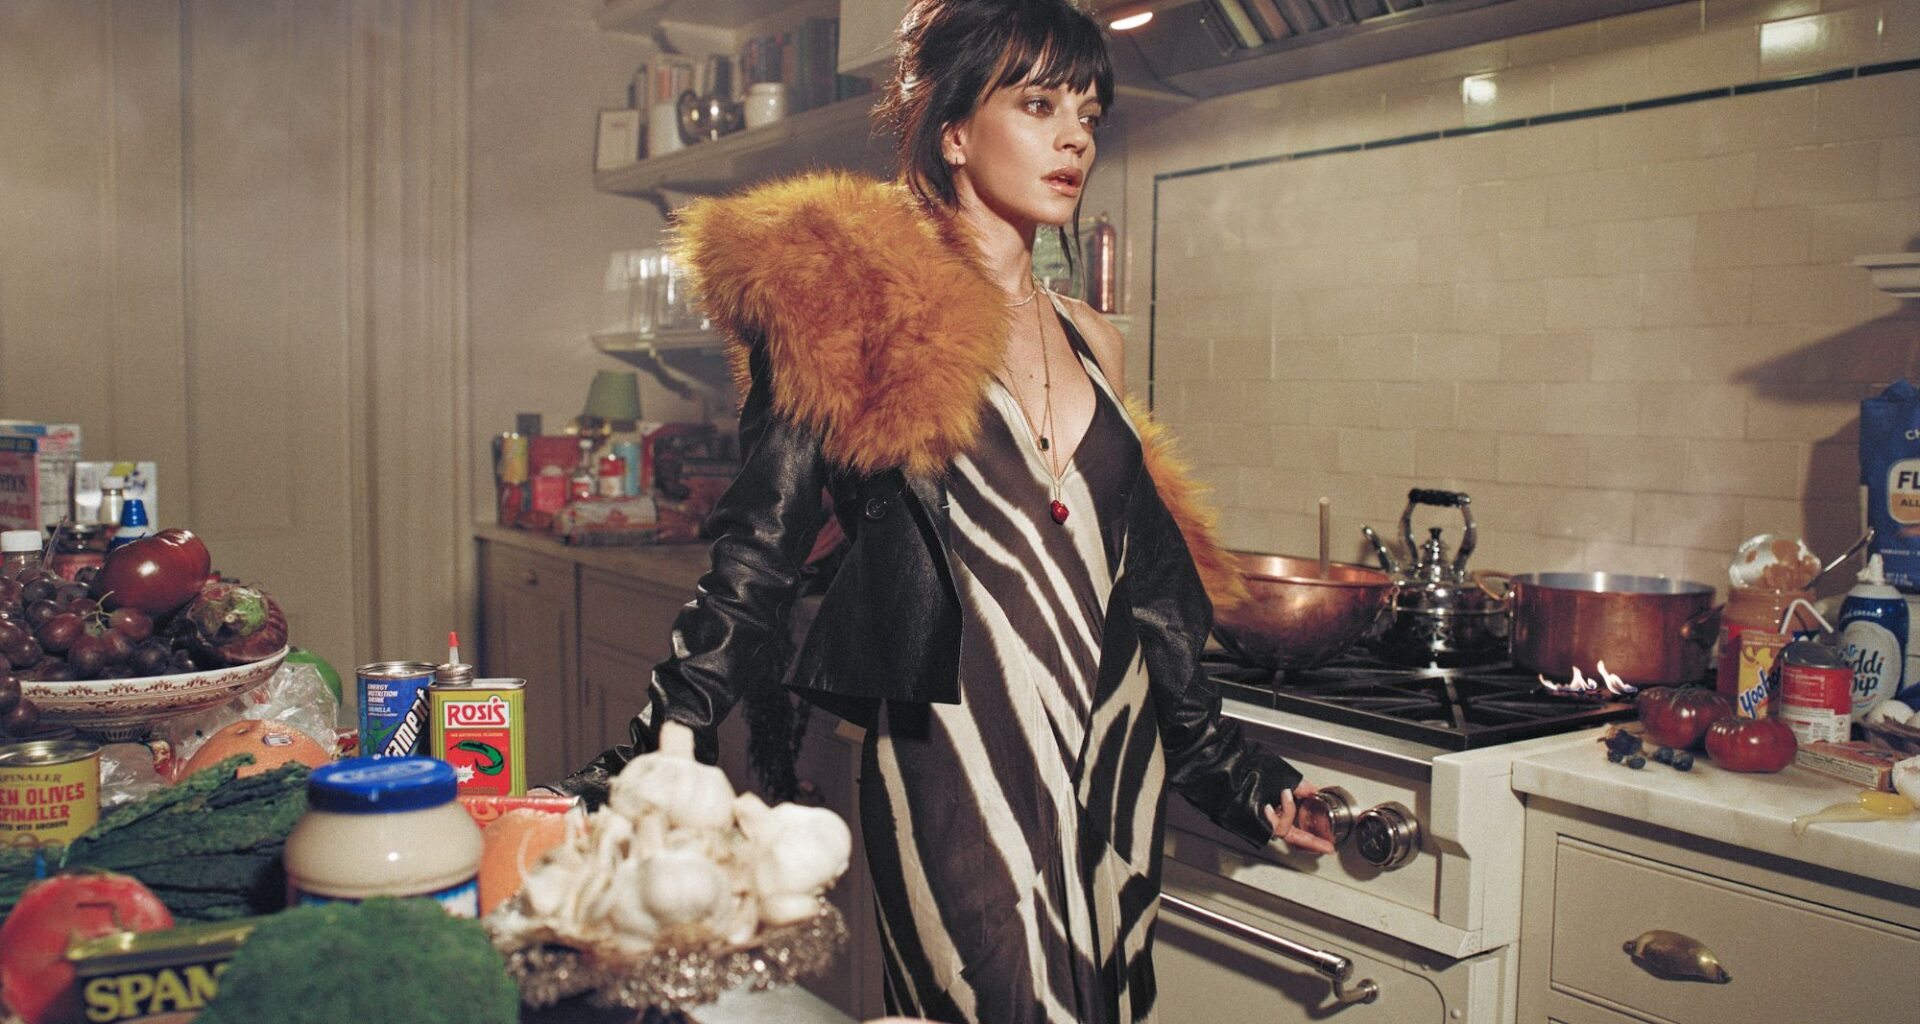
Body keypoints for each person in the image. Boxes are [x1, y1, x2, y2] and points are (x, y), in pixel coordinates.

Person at [551, 1, 1334, 1019]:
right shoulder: (851, 304)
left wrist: (1233, 773)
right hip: (953, 757)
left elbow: (1143, 587)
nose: (1075, 137)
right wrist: (658, 750)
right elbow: (758, 556)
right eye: (1039, 104)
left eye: (1089, 113)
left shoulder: (1096, 340)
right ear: (955, 132)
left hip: (1107, 758)